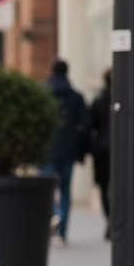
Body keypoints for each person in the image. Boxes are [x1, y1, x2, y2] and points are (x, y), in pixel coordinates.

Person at [41, 57, 88, 246]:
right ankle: (62, 233)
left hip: (47, 151)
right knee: (66, 190)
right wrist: (81, 151)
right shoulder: (76, 97)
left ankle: (54, 216)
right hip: (68, 151)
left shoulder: (42, 94)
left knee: (48, 191)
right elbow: (85, 126)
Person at [88, 69, 112, 239]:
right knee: (121, 187)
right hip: (123, 151)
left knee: (104, 188)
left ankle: (110, 219)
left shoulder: (99, 101)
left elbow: (90, 127)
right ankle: (116, 221)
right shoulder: (127, 100)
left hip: (102, 150)